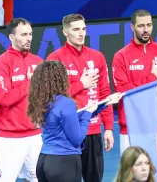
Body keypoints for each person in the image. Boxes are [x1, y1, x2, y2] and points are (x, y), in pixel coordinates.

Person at [45, 13, 116, 182]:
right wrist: (81, 85)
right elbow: (51, 96)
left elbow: (104, 93)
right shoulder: (55, 59)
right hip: (66, 134)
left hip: (92, 131)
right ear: (65, 32)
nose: (81, 33)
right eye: (76, 29)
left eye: (83, 29)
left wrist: (108, 128)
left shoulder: (97, 57)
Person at [28, 59, 120, 182]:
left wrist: (105, 103)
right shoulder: (66, 103)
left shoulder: (43, 102)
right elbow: (77, 139)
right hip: (63, 164)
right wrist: (87, 113)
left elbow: (73, 117)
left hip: (44, 162)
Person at [111, 9, 157, 152]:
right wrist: (152, 78)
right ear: (132, 27)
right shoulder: (121, 56)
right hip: (132, 127)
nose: (145, 30)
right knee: (131, 173)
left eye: (149, 25)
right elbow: (122, 91)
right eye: (141, 26)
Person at [0, 18, 45, 182]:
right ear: (11, 37)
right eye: (23, 34)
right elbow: (5, 98)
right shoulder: (0, 64)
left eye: (30, 34)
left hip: (37, 137)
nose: (29, 38)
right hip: (11, 139)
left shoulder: (38, 62)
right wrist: (30, 82)